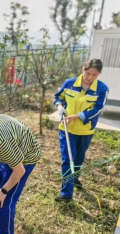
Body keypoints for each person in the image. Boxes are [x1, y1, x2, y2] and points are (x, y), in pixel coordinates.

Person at [54, 58, 109, 202]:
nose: (90, 77)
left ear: (99, 75)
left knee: (78, 158)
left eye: (94, 75)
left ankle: (74, 179)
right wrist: (59, 105)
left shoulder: (102, 89)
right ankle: (66, 193)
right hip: (66, 128)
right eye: (88, 73)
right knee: (68, 158)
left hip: (85, 131)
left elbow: (98, 109)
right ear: (83, 69)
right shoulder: (69, 83)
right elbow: (58, 97)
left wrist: (78, 116)